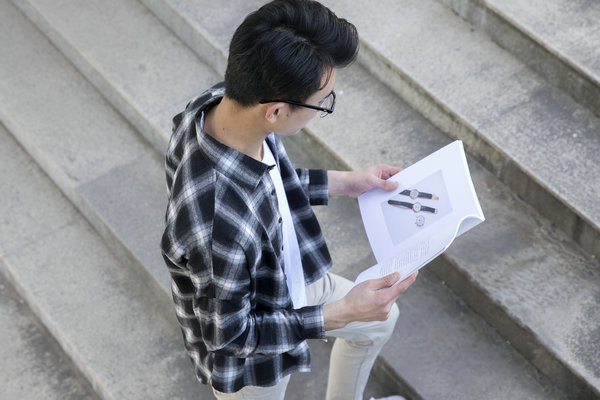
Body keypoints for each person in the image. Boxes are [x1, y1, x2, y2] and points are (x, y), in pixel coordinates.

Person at [160, 1, 418, 399]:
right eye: (324, 102)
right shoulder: (217, 226)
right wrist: (342, 313)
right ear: (276, 112)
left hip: (284, 276)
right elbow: (231, 336)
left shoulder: (221, 104)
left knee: (381, 321)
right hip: (251, 357)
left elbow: (268, 184)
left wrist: (347, 182)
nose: (325, 108)